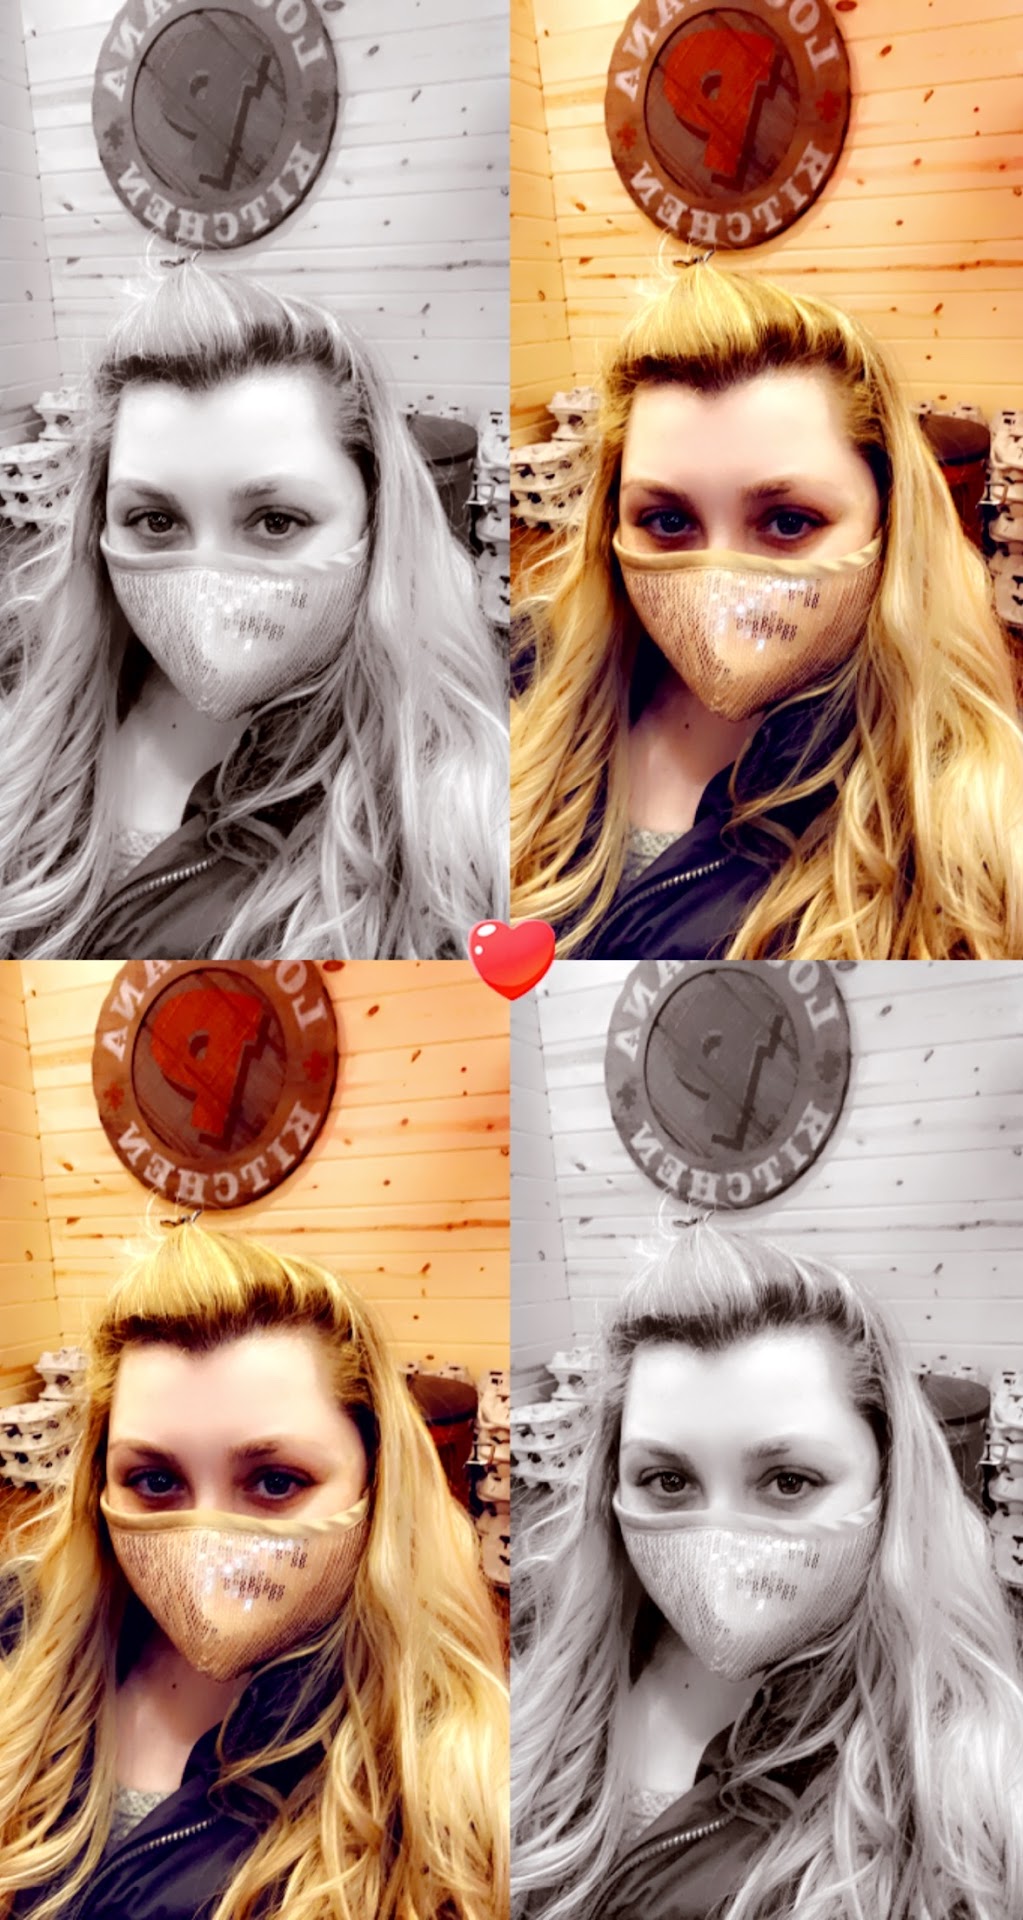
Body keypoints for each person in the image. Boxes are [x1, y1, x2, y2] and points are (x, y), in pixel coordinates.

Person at [510, 262, 1023, 959]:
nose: (721, 586)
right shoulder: (521, 696)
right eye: (667, 521)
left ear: (886, 521)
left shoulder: (972, 824)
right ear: (611, 524)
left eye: (787, 522)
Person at [512, 1221, 1023, 1920]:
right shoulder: (542, 1685)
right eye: (667, 1480)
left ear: (886, 1479)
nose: (720, 1542)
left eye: (787, 1482)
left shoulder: (966, 1780)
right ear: (612, 1485)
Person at [0, 262, 508, 959]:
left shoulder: (450, 815)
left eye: (275, 522)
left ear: (374, 519)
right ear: (99, 525)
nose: (209, 583)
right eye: (154, 520)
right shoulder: (28, 728)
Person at [0, 1223, 507, 1920]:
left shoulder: (453, 1781)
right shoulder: (20, 1648)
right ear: (99, 1485)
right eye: (154, 1480)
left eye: (274, 1482)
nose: (208, 1544)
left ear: (373, 1481)